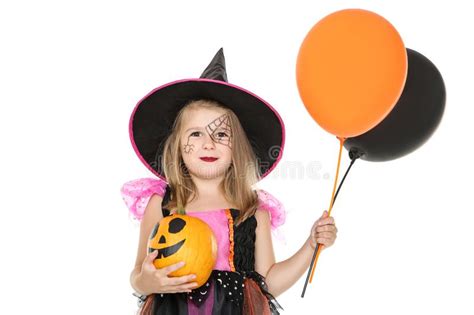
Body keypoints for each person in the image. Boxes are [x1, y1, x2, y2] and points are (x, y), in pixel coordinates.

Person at [121, 48, 338, 315]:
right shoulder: (163, 204)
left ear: (237, 147)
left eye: (221, 133)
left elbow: (267, 282)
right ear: (177, 145)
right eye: (196, 134)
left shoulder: (251, 209)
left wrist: (311, 245)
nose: (209, 144)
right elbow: (138, 276)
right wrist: (148, 280)